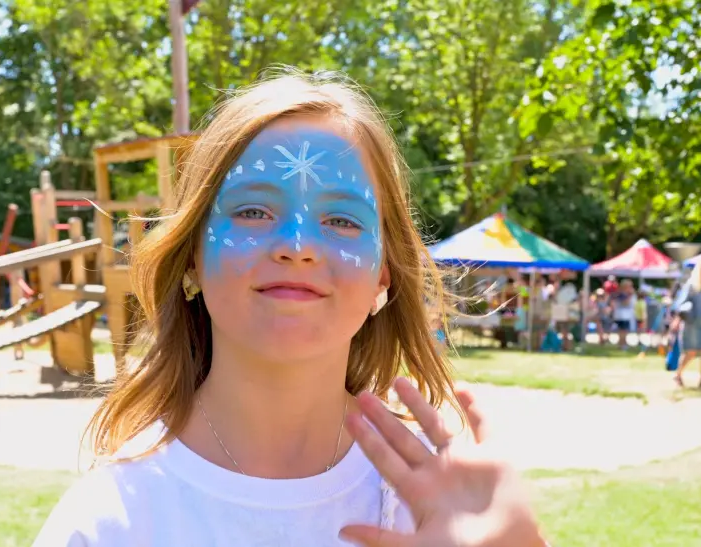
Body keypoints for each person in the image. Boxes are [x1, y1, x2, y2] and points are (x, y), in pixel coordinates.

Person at [33, 71, 549, 547]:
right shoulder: (109, 522)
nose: (298, 245)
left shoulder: (449, 505)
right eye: (253, 210)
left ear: (382, 276)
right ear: (192, 258)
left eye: (343, 220)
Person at [674, 263, 701, 390]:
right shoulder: (691, 286)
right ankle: (678, 374)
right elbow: (680, 304)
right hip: (691, 325)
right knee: (690, 352)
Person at [611, 279, 636, 350]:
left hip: (626, 315)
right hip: (622, 316)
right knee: (623, 330)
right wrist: (630, 295)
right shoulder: (621, 294)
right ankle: (622, 345)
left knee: (624, 330)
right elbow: (625, 303)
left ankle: (622, 344)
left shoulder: (624, 294)